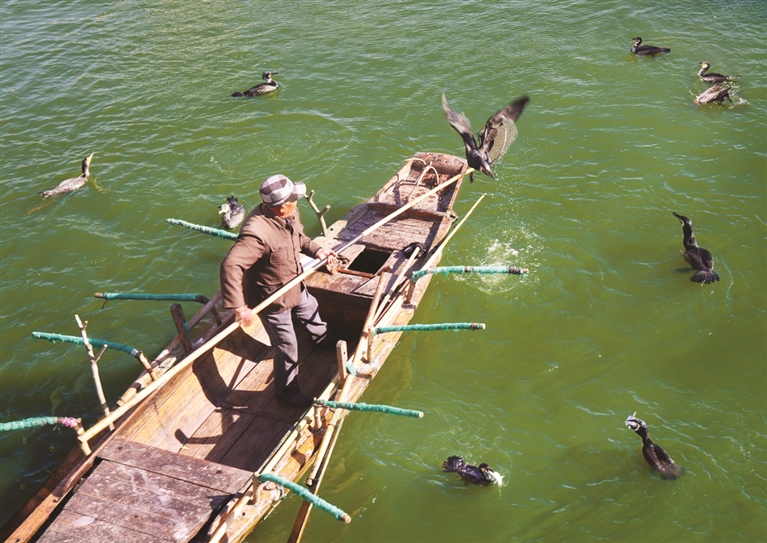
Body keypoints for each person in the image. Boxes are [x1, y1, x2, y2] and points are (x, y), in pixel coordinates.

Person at [220, 174, 337, 407]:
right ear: (282, 206)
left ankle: (322, 339)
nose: (297, 201)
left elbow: (299, 237)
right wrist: (240, 307)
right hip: (271, 298)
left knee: (310, 307)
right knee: (287, 346)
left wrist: (317, 250)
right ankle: (287, 393)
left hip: (293, 281)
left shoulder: (289, 212)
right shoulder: (256, 233)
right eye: (294, 199)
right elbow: (231, 265)